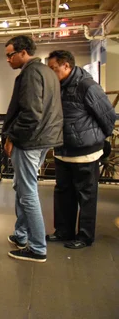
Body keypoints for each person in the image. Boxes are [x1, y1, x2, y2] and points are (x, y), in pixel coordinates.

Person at [46, 50, 117, 249]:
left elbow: (108, 116)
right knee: (63, 194)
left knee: (86, 196)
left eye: (54, 69)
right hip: (63, 151)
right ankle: (63, 231)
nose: (51, 73)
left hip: (86, 153)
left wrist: (96, 140)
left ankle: (85, 237)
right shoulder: (58, 87)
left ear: (66, 66)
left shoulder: (87, 86)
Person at [2, 35, 63, 263]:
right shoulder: (47, 72)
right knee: (22, 186)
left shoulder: (30, 73)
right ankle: (21, 235)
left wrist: (12, 137)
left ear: (23, 52)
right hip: (43, 139)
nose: (8, 60)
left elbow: (31, 114)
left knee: (27, 193)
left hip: (30, 141)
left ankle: (37, 248)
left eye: (10, 55)